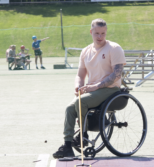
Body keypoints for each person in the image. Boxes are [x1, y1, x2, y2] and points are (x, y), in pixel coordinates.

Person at [53, 18, 126, 159]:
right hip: (93, 90)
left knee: (82, 102)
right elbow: (80, 75)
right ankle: (67, 146)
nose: (100, 37)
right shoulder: (86, 51)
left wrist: (96, 86)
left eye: (103, 33)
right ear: (91, 32)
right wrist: (78, 86)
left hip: (110, 89)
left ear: (106, 33)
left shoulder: (114, 48)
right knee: (69, 108)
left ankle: (83, 134)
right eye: (97, 33)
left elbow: (117, 74)